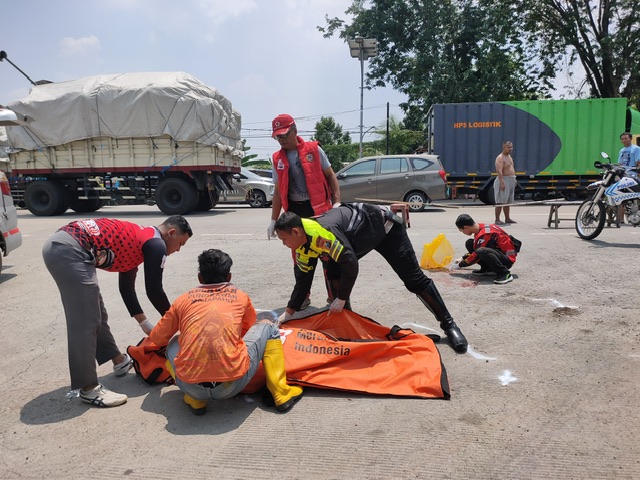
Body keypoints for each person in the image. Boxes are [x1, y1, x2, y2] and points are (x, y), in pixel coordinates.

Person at [273, 203, 468, 353]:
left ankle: (449, 324)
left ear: (296, 232)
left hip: (385, 228)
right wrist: (289, 313)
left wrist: (341, 298)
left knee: (414, 279)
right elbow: (303, 280)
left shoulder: (323, 234)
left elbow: (350, 264)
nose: (283, 244)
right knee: (332, 269)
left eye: (284, 240)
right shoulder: (302, 246)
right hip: (355, 237)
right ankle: (345, 326)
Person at [42, 216, 193, 408]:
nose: (178, 250)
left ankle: (119, 360)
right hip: (70, 249)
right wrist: (177, 322)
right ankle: (89, 388)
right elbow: (154, 289)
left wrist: (144, 324)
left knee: (96, 312)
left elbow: (126, 289)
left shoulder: (141, 239)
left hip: (66, 246)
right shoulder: (156, 244)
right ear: (171, 233)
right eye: (180, 243)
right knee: (85, 320)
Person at [148, 249, 303, 415]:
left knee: (173, 341)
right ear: (229, 277)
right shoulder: (240, 296)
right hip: (233, 385)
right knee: (269, 327)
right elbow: (249, 327)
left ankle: (196, 400)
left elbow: (157, 338)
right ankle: (281, 393)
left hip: (190, 386)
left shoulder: (183, 300)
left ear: (200, 277)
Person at [267, 114, 341, 309]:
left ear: (294, 130)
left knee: (328, 254)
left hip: (319, 209)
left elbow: (331, 176)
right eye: (278, 136)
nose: (281, 139)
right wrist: (273, 220)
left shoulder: (314, 150)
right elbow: (277, 191)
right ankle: (303, 297)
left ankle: (334, 296)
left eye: (283, 134)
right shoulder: (277, 159)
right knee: (300, 255)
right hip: (294, 212)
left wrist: (337, 202)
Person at [455, 213, 517, 285]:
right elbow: (476, 248)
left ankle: (504, 273)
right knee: (470, 243)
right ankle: (487, 269)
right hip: (499, 254)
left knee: (481, 251)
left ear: (466, 227)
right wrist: (462, 258)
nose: (463, 233)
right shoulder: (480, 228)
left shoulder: (485, 234)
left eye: (462, 231)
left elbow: (476, 255)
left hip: (507, 260)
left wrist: (460, 265)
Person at [616, 132, 640, 223]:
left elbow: (638, 162)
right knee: (620, 196)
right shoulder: (621, 150)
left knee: (635, 196)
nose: (624, 140)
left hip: (632, 175)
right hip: (622, 175)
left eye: (626, 138)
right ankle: (620, 219)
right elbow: (620, 163)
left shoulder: (636, 149)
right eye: (622, 139)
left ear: (630, 138)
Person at [494, 140, 517, 225]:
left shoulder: (509, 157)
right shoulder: (500, 158)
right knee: (500, 201)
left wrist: (514, 180)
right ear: (504, 147)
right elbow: (499, 171)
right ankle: (497, 219)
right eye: (508, 147)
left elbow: (511, 168)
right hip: (504, 179)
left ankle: (507, 218)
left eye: (511, 147)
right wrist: (502, 182)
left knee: (508, 201)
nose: (510, 149)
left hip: (511, 179)